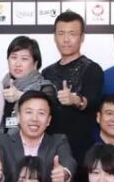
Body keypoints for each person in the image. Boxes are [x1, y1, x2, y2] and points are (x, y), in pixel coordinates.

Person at [0, 90, 77, 182]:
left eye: (41, 113)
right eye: (29, 112)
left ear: (49, 120)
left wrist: (65, 173)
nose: (34, 119)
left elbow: (69, 162)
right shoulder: (3, 141)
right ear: (18, 117)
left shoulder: (58, 141)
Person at [42, 11, 105, 162]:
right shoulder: (46, 72)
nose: (66, 39)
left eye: (72, 34)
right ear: (54, 37)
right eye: (61, 33)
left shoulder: (92, 69)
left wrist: (76, 100)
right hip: (49, 150)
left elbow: (94, 102)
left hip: (82, 151)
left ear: (82, 37)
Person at [0, 35, 57, 136]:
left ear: (35, 64)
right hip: (3, 143)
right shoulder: (3, 87)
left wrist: (22, 96)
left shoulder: (45, 88)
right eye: (13, 57)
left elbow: (47, 105)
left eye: (24, 59)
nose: (17, 64)